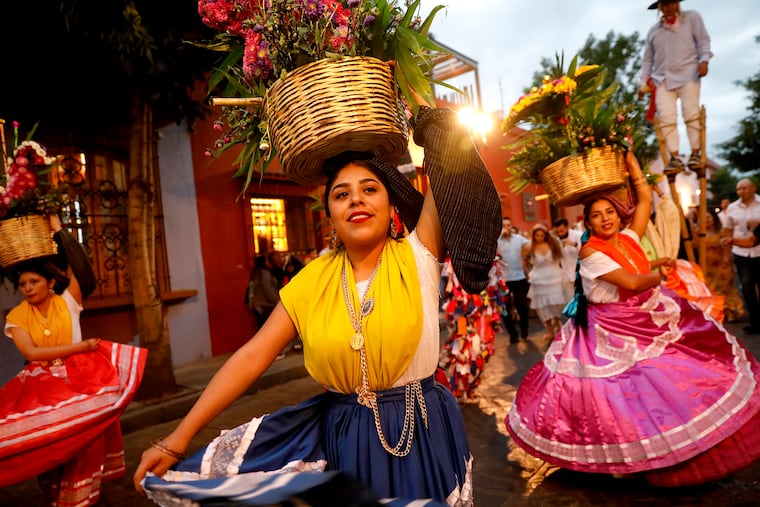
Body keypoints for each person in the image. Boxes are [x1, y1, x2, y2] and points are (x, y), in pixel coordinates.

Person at [133, 106, 502, 505]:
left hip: (424, 428)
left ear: (392, 205)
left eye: (370, 189)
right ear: (330, 215)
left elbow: (453, 160)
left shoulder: (419, 253)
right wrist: (177, 439)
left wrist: (419, 117)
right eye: (342, 194)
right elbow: (252, 355)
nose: (356, 200)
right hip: (345, 437)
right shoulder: (311, 280)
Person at [506, 150, 760, 487]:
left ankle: (666, 451)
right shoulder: (591, 252)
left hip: (638, 319)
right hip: (608, 332)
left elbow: (643, 205)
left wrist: (633, 168)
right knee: (618, 396)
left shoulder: (626, 238)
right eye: (597, 216)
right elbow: (631, 282)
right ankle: (629, 457)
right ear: (588, 222)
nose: (606, 219)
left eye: (610, 211)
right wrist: (663, 274)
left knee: (665, 384)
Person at [0, 214, 147, 506]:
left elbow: (81, 267)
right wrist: (79, 347)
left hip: (82, 380)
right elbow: (31, 354)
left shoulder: (68, 302)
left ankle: (81, 498)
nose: (28, 288)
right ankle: (58, 495)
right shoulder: (16, 316)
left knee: (85, 440)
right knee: (51, 446)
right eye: (23, 283)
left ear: (51, 281)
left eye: (34, 281)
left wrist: (60, 232)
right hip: (41, 386)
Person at [639, 0, 712, 172]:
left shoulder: (693, 17)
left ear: (677, 3)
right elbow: (647, 60)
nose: (668, 8)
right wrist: (642, 83)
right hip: (662, 79)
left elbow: (703, 41)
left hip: (689, 74)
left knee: (691, 113)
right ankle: (674, 158)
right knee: (666, 118)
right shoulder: (653, 32)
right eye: (664, 5)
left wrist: (704, 61)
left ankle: (695, 153)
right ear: (659, 7)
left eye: (671, 3)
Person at [722, 178, 760, 334]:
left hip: (759, 251)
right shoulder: (732, 208)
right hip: (741, 253)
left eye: (744, 188)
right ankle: (755, 321)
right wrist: (727, 250)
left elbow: (753, 241)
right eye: (738, 189)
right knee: (747, 286)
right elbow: (727, 231)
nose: (741, 191)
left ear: (753, 188)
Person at [523, 223, 571, 342]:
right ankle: (549, 329)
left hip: (554, 276)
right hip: (539, 279)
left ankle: (558, 324)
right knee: (542, 305)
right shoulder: (530, 247)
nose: (539, 238)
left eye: (542, 235)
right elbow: (523, 259)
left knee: (555, 303)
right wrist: (526, 272)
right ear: (533, 236)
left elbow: (563, 258)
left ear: (546, 235)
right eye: (537, 235)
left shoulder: (554, 244)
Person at [698, 208, 745, 322]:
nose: (707, 220)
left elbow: (727, 246)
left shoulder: (721, 231)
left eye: (709, 217)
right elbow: (695, 246)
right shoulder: (699, 232)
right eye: (704, 218)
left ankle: (732, 311)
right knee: (712, 289)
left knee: (726, 288)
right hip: (707, 266)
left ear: (714, 218)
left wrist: (726, 258)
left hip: (722, 265)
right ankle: (718, 312)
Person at [496, 217, 530, 343]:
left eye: (509, 225)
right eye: (504, 225)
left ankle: (524, 329)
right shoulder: (496, 241)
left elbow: (530, 245)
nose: (506, 227)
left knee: (522, 306)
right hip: (503, 280)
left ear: (512, 226)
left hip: (519, 277)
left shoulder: (519, 239)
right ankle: (513, 334)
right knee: (505, 309)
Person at [246, 254, 280, 328]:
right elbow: (267, 288)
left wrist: (250, 302)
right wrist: (277, 301)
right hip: (266, 304)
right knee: (270, 328)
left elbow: (251, 288)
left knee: (262, 327)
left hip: (257, 304)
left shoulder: (255, 273)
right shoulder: (265, 273)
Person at [552, 217, 583, 300]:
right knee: (570, 299)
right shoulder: (556, 240)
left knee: (582, 299)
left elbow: (586, 251)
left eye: (561, 231)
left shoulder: (578, 235)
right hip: (566, 275)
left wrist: (574, 244)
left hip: (580, 273)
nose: (560, 234)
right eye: (557, 231)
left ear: (567, 227)